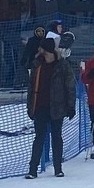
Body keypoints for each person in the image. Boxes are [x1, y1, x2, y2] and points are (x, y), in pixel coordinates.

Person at [26, 37, 76, 178]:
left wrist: (71, 106)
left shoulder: (62, 65)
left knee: (56, 137)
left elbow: (70, 86)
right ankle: (32, 170)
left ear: (46, 50)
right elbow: (31, 87)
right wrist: (30, 107)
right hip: (40, 106)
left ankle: (58, 168)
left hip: (57, 107)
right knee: (39, 138)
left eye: (41, 48)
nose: (39, 50)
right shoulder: (37, 64)